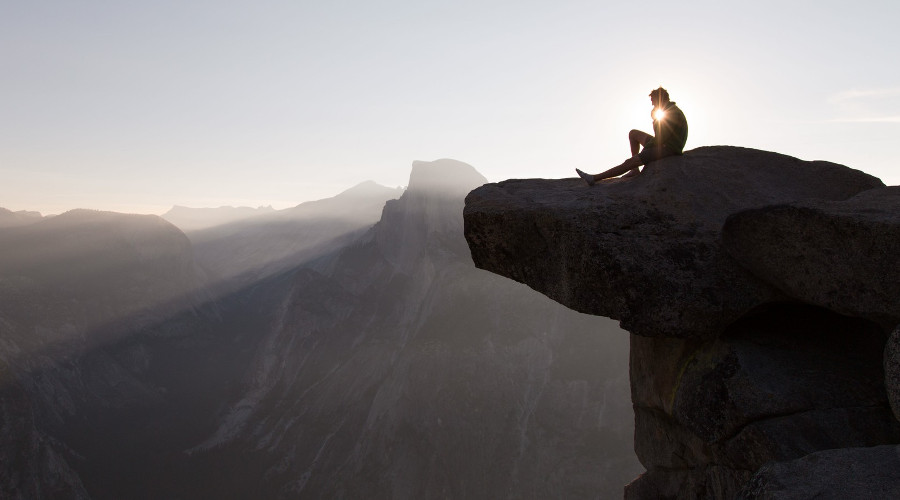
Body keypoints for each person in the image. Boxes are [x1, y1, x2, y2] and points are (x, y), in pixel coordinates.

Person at [576, 87, 688, 186]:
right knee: (633, 133)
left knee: (630, 161)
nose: (653, 105)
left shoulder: (671, 113)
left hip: (668, 148)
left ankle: (594, 178)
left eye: (653, 102)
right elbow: (660, 136)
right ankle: (635, 170)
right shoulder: (669, 110)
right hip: (664, 142)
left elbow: (660, 139)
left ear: (660, 99)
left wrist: (645, 150)